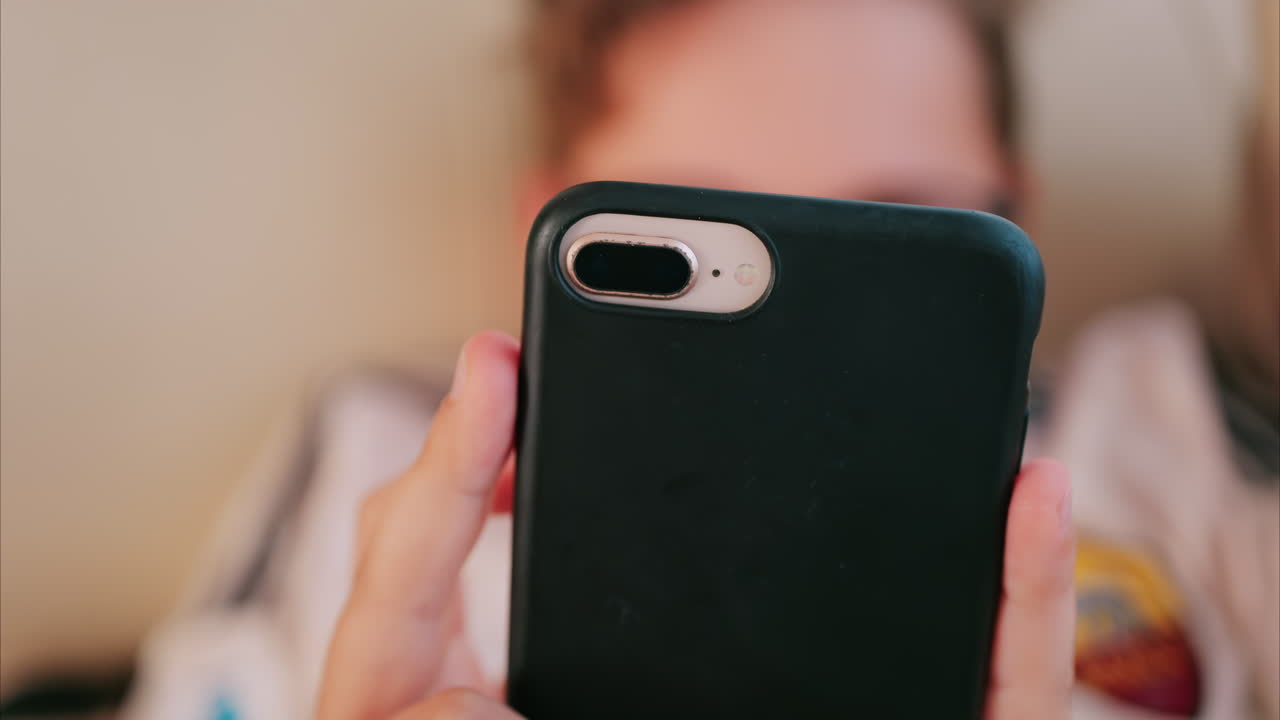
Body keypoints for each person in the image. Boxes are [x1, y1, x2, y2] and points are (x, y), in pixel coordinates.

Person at [315, 0, 1076, 718]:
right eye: (697, 215)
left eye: (899, 226)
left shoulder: (1160, 434)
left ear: (1018, 226)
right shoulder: (363, 468)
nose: (803, 349)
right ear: (541, 234)